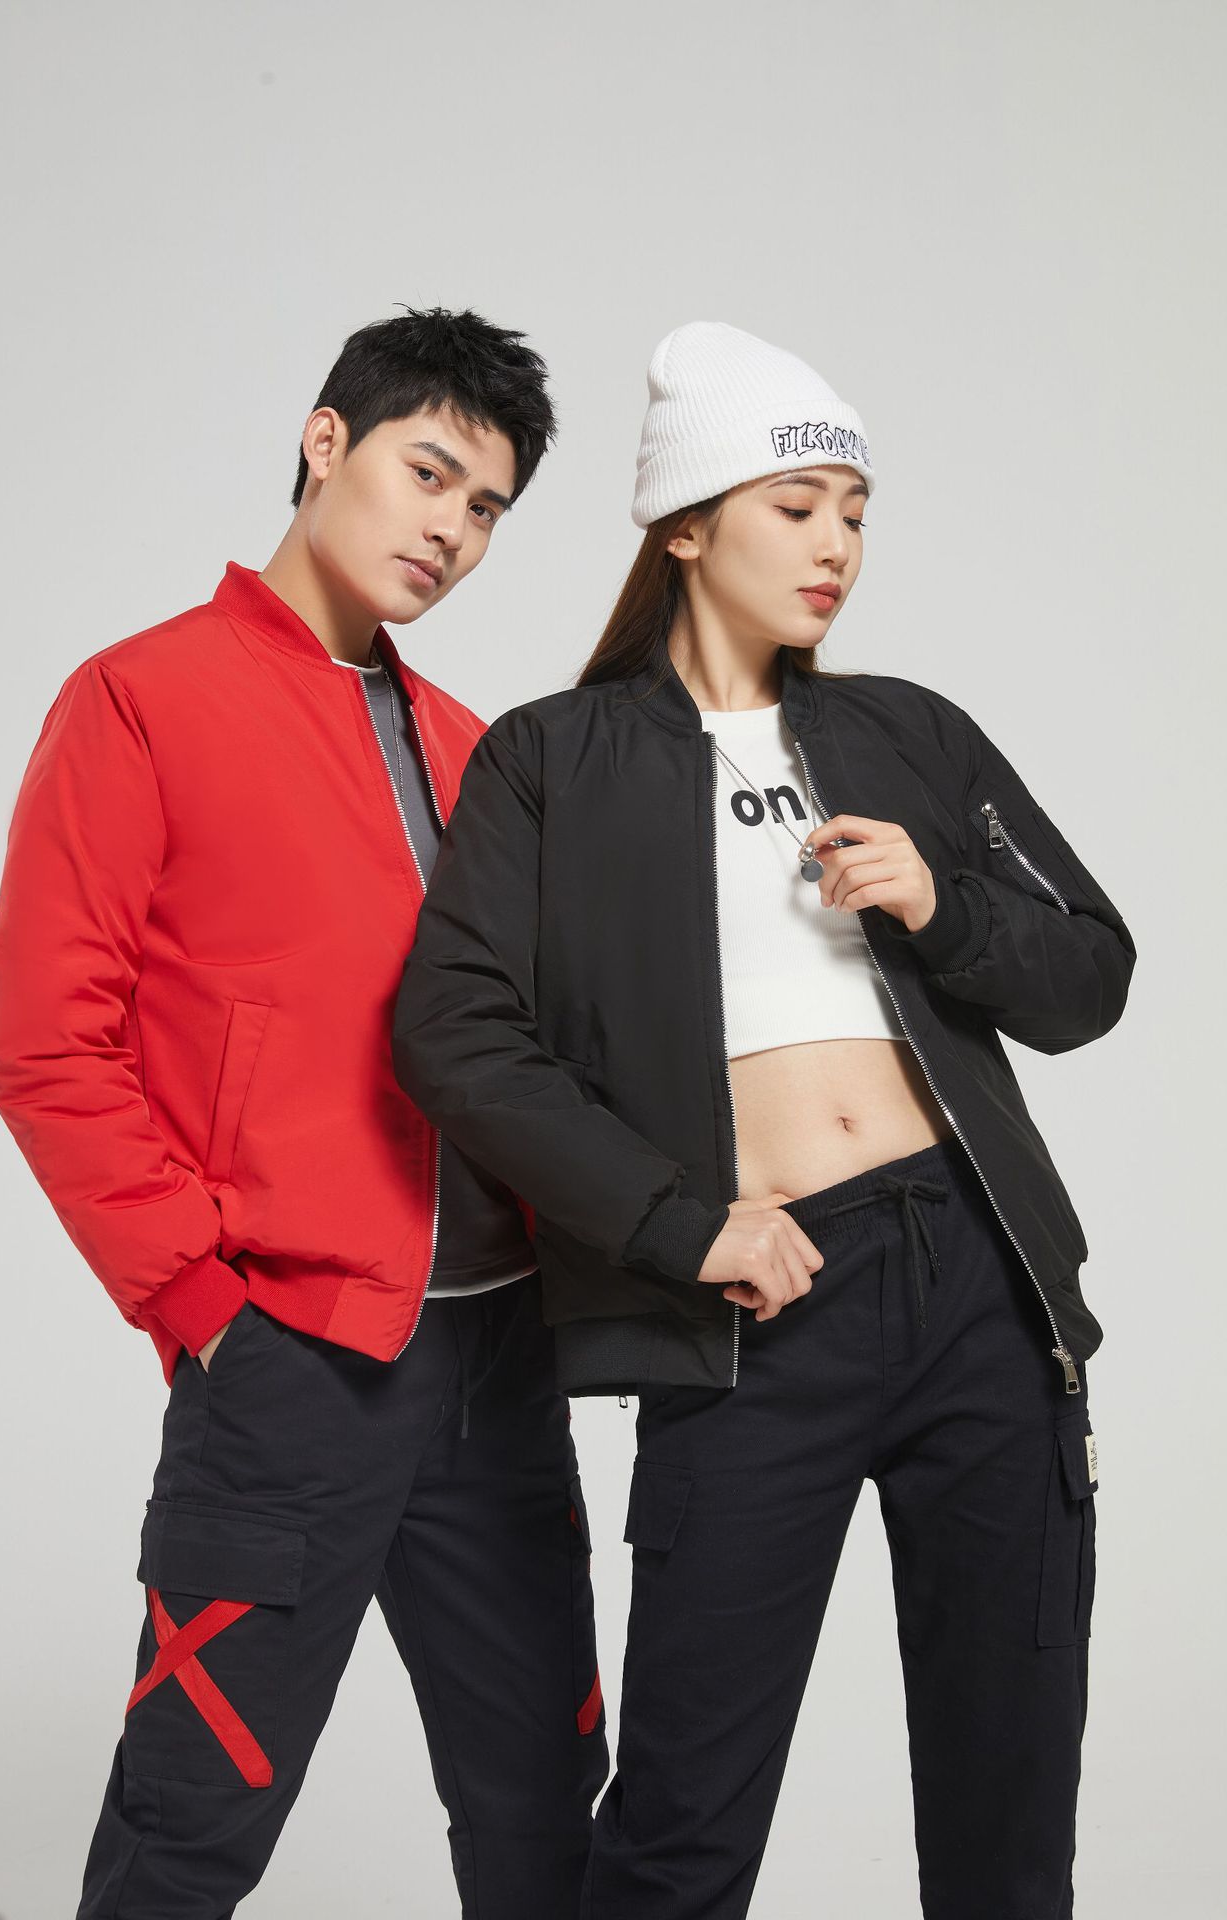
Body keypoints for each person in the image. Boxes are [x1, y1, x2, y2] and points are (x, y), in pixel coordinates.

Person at [391, 319, 1136, 1919]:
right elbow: (455, 1034)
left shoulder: (909, 733)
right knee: (681, 1827)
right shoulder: (553, 759)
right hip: (751, 1308)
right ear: (685, 525)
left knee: (1011, 1814)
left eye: (854, 514)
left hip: (979, 1291)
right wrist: (681, 1225)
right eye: (796, 507)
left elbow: (1090, 974)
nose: (835, 546)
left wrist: (941, 904)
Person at [0, 307, 608, 1919]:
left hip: (499, 1365)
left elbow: (530, 1052)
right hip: (293, 1364)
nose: (452, 531)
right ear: (326, 441)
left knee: (551, 1817)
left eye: (487, 508)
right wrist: (205, 1307)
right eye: (429, 473)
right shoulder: (140, 700)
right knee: (190, 1828)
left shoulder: (476, 751)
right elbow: (46, 1043)